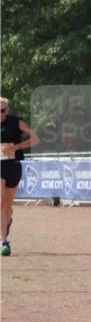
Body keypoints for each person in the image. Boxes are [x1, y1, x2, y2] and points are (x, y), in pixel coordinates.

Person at [1, 98, 40, 256]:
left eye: (2, 111)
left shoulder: (15, 122)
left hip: (14, 166)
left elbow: (36, 139)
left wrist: (16, 147)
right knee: (1, 202)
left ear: (7, 111)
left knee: (7, 207)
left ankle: (7, 221)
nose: (0, 114)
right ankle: (4, 241)